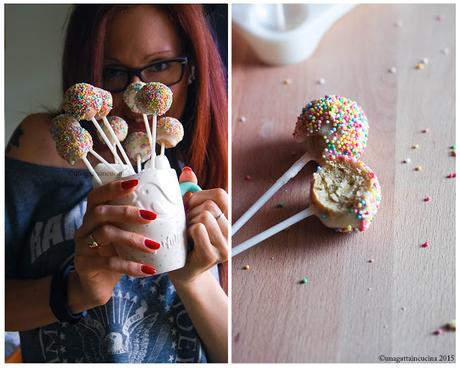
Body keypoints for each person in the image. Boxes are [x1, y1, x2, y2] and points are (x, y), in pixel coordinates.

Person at [5, 4, 228, 363]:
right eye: (113, 72)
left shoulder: (215, 168)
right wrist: (74, 292)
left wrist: (195, 281)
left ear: (192, 71)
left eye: (159, 66)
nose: (136, 98)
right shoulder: (42, 142)